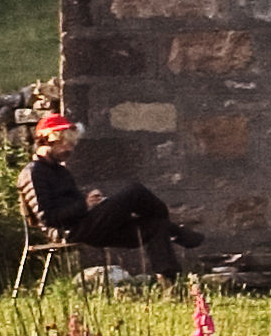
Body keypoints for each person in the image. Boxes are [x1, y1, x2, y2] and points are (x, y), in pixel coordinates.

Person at [20, 109, 189, 276]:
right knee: (134, 192)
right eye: (66, 143)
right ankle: (176, 231)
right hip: (68, 232)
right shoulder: (34, 173)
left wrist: (95, 204)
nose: (70, 149)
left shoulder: (61, 171)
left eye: (72, 144)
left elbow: (74, 203)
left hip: (85, 225)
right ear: (48, 140)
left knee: (156, 225)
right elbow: (47, 217)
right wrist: (85, 205)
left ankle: (170, 284)